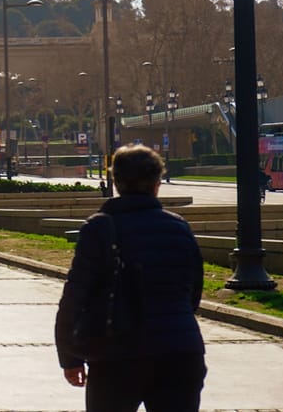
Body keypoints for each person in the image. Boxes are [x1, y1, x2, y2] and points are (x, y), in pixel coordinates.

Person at [54, 145, 205, 411]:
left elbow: (76, 296)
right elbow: (193, 292)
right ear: (157, 184)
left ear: (116, 182)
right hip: (181, 352)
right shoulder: (179, 227)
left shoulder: (99, 228)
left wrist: (69, 356)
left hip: (118, 353)